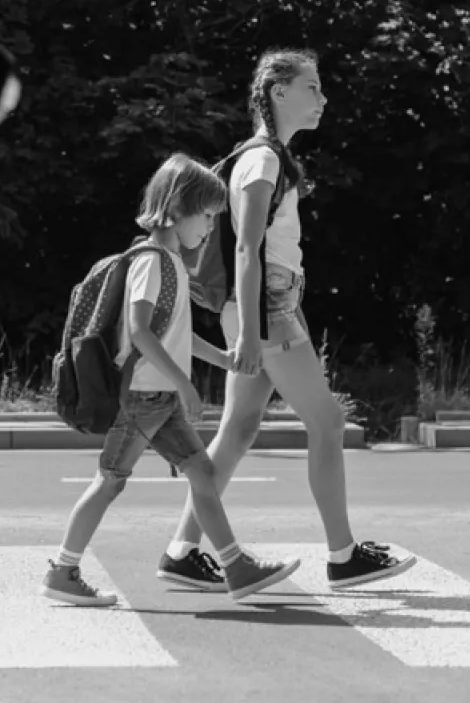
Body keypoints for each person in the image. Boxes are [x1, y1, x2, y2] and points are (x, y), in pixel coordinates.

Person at [156, 49, 419, 592]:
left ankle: (181, 551)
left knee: (239, 428)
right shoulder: (264, 160)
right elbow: (248, 249)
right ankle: (344, 555)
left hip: (265, 304)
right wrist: (252, 332)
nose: (322, 98)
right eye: (312, 87)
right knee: (325, 423)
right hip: (267, 307)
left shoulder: (266, 158)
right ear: (278, 92)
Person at [41, 153, 302, 606]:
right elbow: (141, 331)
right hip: (142, 399)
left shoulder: (173, 263)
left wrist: (221, 358)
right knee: (110, 482)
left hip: (157, 399)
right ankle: (63, 571)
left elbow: (175, 333)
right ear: (176, 210)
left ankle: (235, 567)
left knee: (202, 472)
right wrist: (184, 385)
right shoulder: (152, 261)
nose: (209, 227)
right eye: (206, 216)